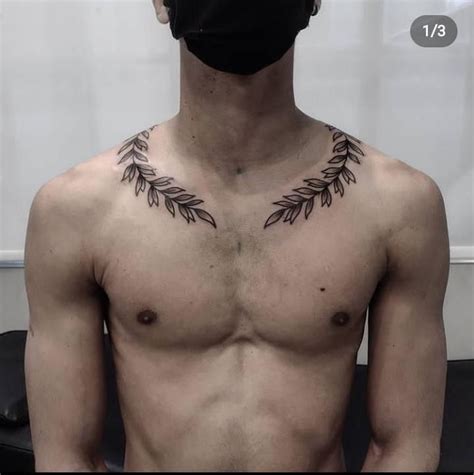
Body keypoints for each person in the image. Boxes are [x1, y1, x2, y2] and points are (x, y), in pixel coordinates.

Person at [24, 0, 450, 471]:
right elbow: (66, 455)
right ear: (161, 2)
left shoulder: (400, 207)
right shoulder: (75, 212)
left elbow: (405, 446)